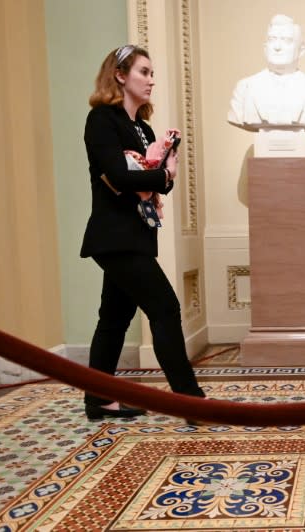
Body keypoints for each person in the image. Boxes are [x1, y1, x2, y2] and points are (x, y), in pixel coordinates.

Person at [80, 44, 206, 423]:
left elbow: (157, 185)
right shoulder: (102, 120)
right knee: (165, 307)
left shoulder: (143, 127)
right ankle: (191, 401)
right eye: (144, 72)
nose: (152, 80)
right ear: (120, 75)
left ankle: (99, 399)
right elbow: (119, 178)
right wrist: (163, 173)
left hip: (135, 234)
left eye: (152, 73)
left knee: (114, 318)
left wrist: (163, 172)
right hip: (114, 236)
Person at [227, 14, 305, 131]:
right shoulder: (245, 88)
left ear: (301, 50)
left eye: (286, 41)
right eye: (272, 40)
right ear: (265, 48)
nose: (277, 47)